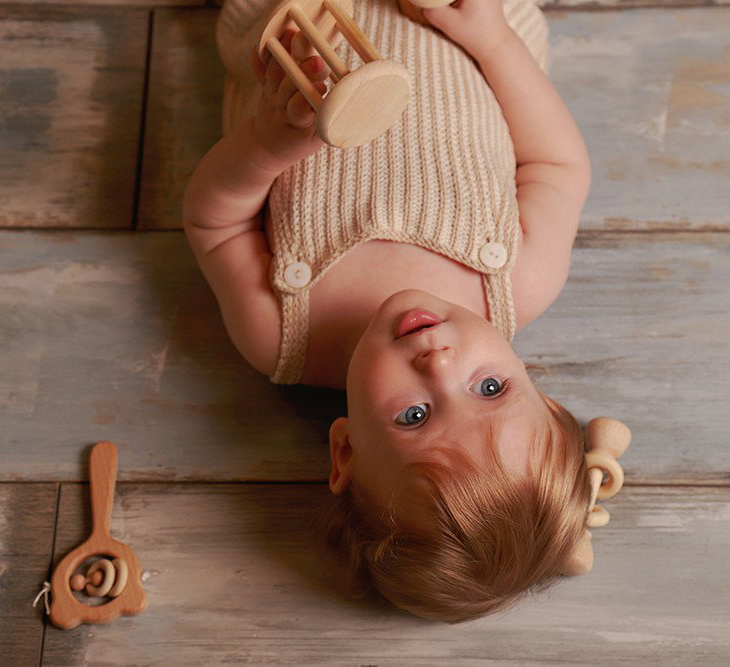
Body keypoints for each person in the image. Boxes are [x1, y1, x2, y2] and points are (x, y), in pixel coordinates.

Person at [183, 0, 595, 622]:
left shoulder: (280, 333)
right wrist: (492, 36)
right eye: (489, 388)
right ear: (546, 400)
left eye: (414, 415)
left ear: (346, 452)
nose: (438, 364)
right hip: (460, 19)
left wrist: (267, 144)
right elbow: (556, 162)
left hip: (292, 30)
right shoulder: (521, 279)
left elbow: (212, 223)